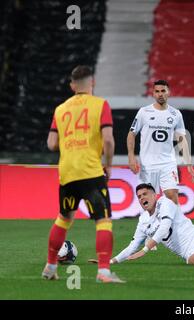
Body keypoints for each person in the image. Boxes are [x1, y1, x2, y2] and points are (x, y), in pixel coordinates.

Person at [42, 65, 124, 283]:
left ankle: (50, 266)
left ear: (72, 85)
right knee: (103, 220)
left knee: (64, 218)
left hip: (67, 172)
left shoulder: (60, 109)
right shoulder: (100, 105)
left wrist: (70, 145)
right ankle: (104, 272)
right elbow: (108, 139)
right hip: (90, 171)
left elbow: (51, 144)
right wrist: (108, 165)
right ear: (92, 83)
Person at [127, 80, 194, 205]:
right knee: (148, 202)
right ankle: (150, 224)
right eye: (157, 91)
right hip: (147, 164)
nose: (160, 94)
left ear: (168, 92)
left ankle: (173, 224)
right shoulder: (144, 112)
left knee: (172, 195)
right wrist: (131, 157)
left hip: (167, 163)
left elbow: (182, 139)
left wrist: (189, 163)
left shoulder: (176, 114)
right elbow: (131, 134)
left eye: (163, 91)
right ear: (153, 93)